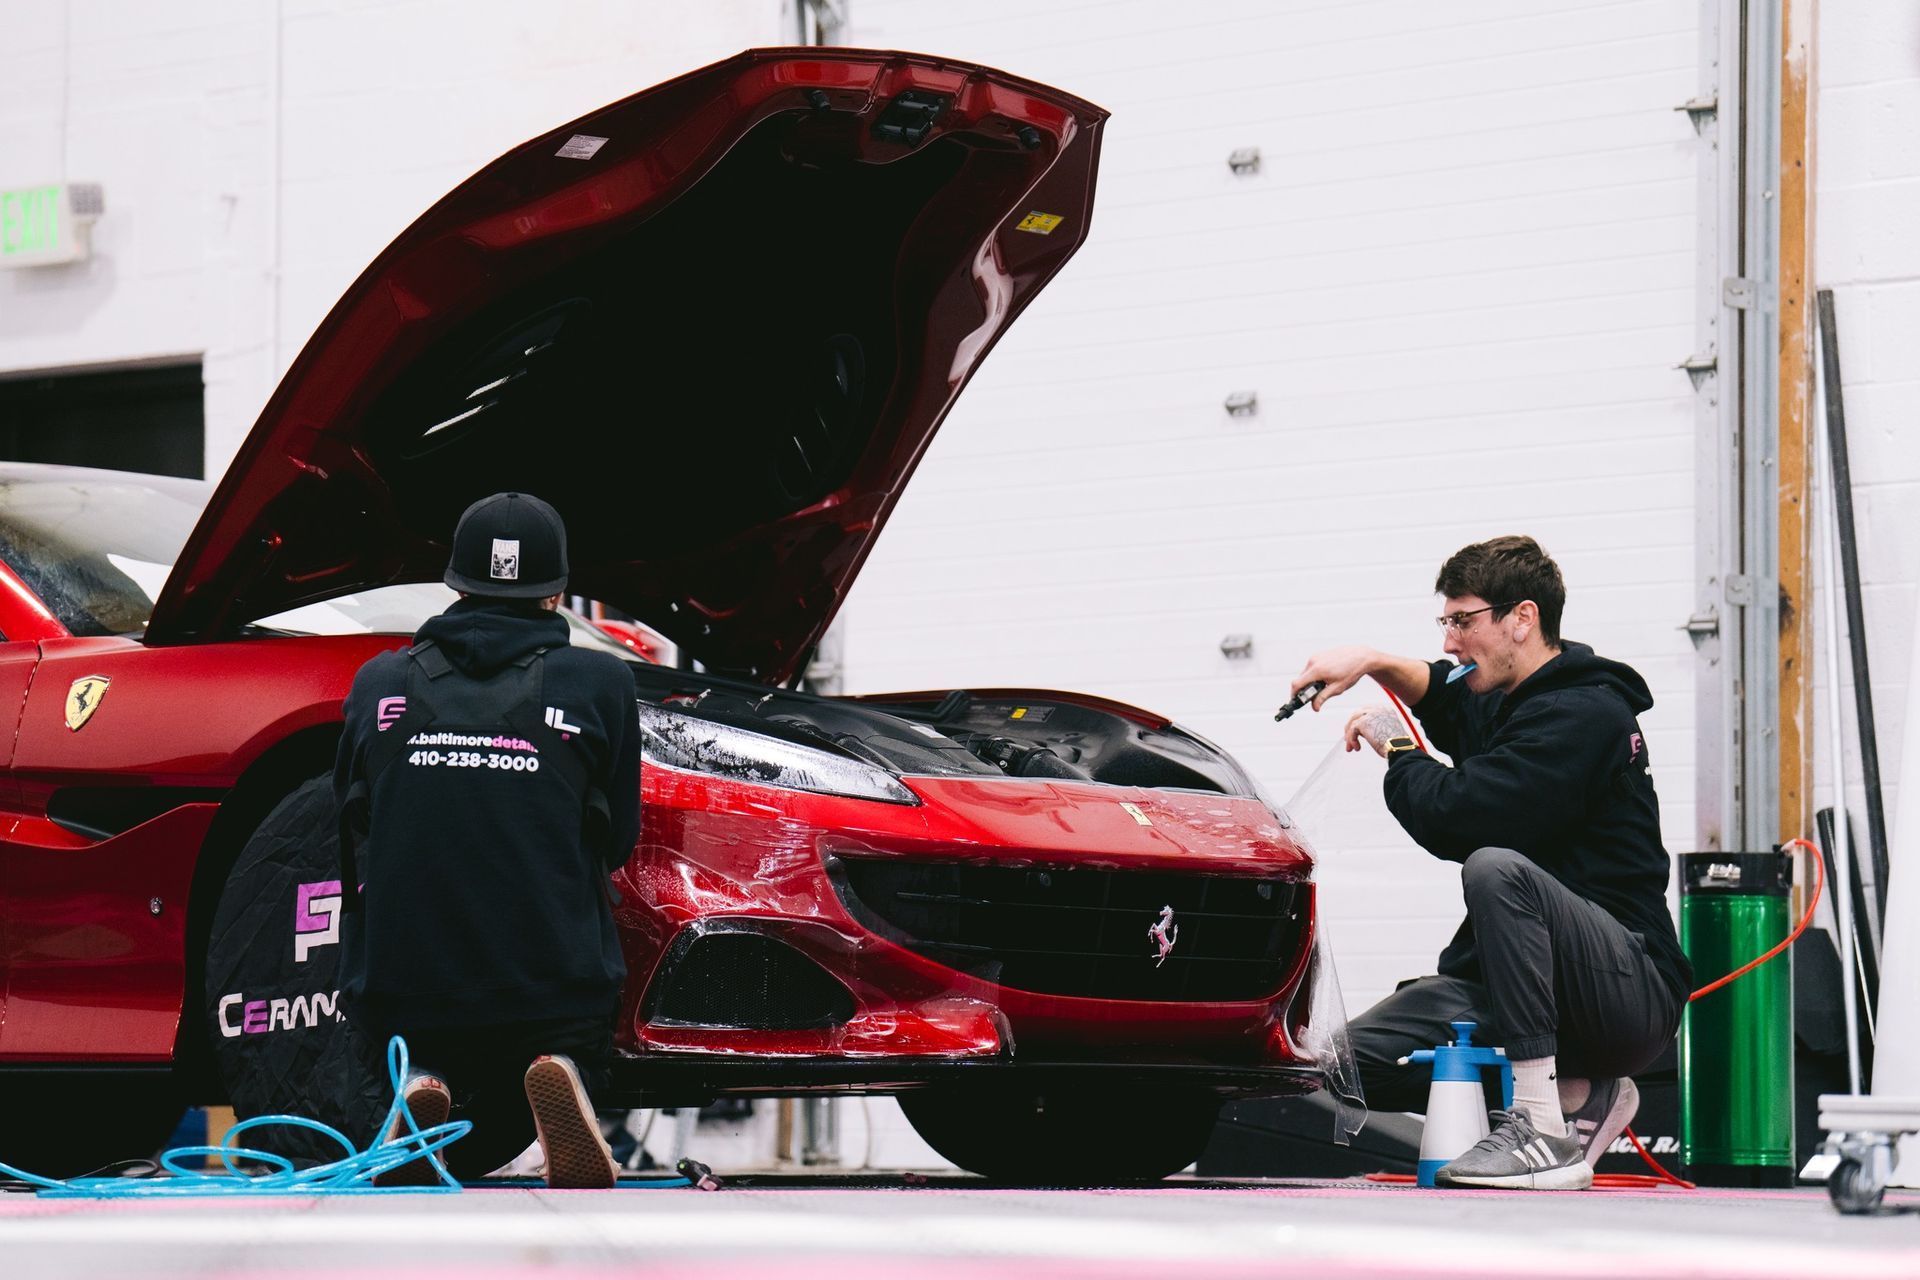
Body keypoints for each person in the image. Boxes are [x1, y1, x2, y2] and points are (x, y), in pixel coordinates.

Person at [1288, 535, 1690, 1190]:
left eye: (1462, 621)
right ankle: (1576, 1094)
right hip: (1521, 986)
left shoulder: (1584, 714)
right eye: (1443, 622)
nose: (1449, 641)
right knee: (1345, 1065)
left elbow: (1461, 817)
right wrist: (1369, 660)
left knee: (1495, 868)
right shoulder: (1508, 696)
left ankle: (1539, 1123)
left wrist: (1394, 747)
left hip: (1622, 988)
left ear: (1522, 618)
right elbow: (1444, 696)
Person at [334, 492, 641, 1188]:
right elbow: (619, 839)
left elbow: (350, 829)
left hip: (402, 986)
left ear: (455, 582)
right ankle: (566, 1065)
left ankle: (420, 1077)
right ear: (557, 590)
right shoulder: (599, 681)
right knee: (570, 990)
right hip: (550, 985)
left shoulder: (379, 681)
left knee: (413, 1014)